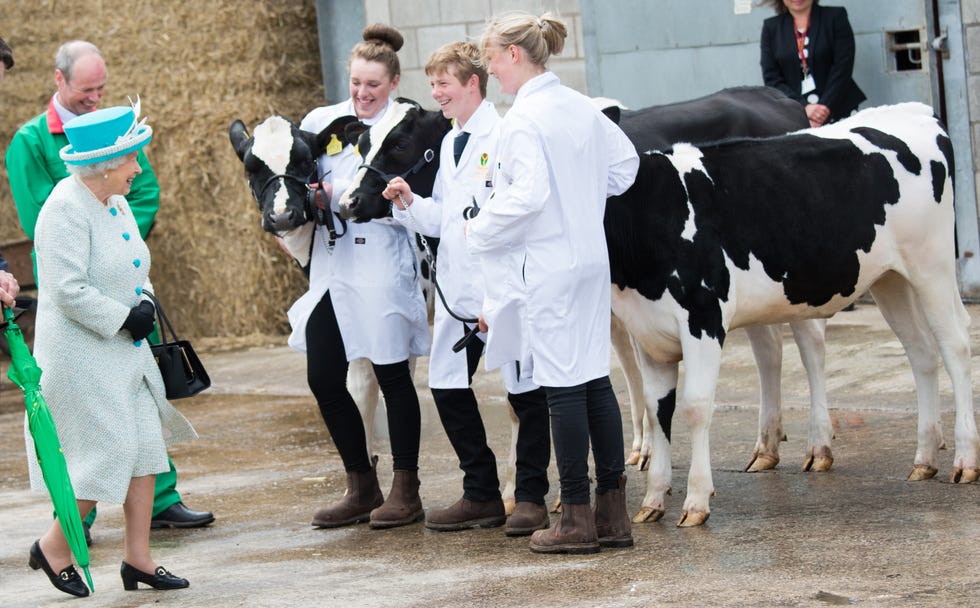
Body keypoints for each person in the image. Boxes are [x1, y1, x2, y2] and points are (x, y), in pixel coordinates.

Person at [4, 40, 214, 538]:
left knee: (142, 430)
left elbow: (142, 192)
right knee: (95, 443)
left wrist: (121, 250)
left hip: (119, 293)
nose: (95, 98)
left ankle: (158, 508)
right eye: (86, 89)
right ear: (60, 81)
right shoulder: (31, 142)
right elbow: (42, 224)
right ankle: (73, 529)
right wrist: (100, 249)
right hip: (84, 311)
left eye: (101, 89)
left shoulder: (114, 144)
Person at [466, 11, 639, 554]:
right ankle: (613, 513)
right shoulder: (579, 106)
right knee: (594, 379)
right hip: (591, 260)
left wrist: (479, 228)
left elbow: (528, 195)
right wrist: (583, 197)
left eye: (492, 59)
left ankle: (576, 518)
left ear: (514, 55)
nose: (491, 71)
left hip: (551, 265)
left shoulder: (521, 119)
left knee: (562, 386)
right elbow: (625, 167)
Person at [381, 42, 551, 535]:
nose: (436, 94)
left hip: (502, 289)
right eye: (432, 84)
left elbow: (511, 216)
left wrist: (498, 298)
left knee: (525, 391)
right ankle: (480, 493)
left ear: (473, 83)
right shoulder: (453, 141)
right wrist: (411, 203)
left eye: (444, 84)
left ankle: (532, 497)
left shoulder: (501, 135)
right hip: (457, 294)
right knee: (447, 385)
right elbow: (448, 219)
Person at [27, 102, 196, 597]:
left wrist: (142, 300)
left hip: (126, 349)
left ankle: (138, 560)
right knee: (106, 455)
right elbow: (64, 289)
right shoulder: (63, 209)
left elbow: (134, 265)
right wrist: (124, 317)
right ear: (104, 166)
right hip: (81, 356)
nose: (138, 169)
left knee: (145, 450)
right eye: (132, 160)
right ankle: (53, 546)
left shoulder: (114, 202)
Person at [291, 23, 430, 529]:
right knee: (323, 376)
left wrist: (356, 201)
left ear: (393, 82)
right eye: (355, 83)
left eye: (372, 84)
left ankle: (406, 488)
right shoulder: (325, 121)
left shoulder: (407, 125)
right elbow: (295, 170)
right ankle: (361, 482)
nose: (362, 94)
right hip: (333, 267)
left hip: (382, 264)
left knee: (393, 376)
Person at [760, 0, 865, 128]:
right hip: (794, 116)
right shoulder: (771, 27)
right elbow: (772, 78)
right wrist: (802, 108)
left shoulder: (835, 16)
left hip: (839, 108)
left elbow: (843, 67)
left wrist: (824, 108)